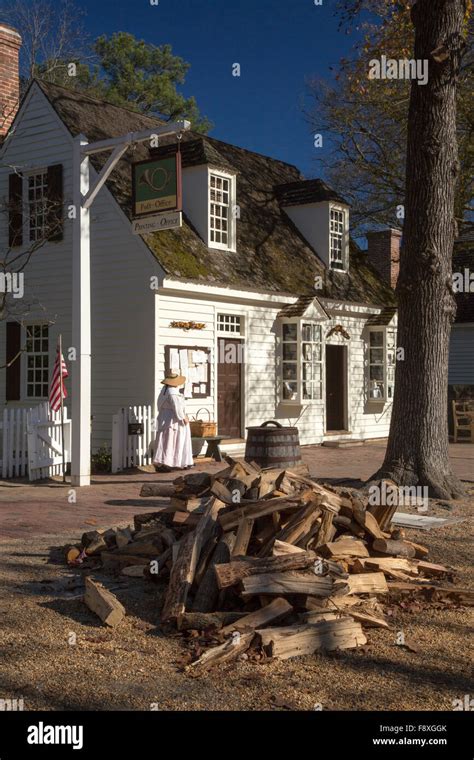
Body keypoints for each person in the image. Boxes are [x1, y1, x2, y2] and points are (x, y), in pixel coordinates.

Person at [153, 370, 194, 471]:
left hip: (165, 417)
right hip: (172, 419)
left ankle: (172, 462)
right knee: (171, 440)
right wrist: (183, 417)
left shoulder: (164, 390)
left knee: (167, 440)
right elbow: (177, 407)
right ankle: (165, 463)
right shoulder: (172, 393)